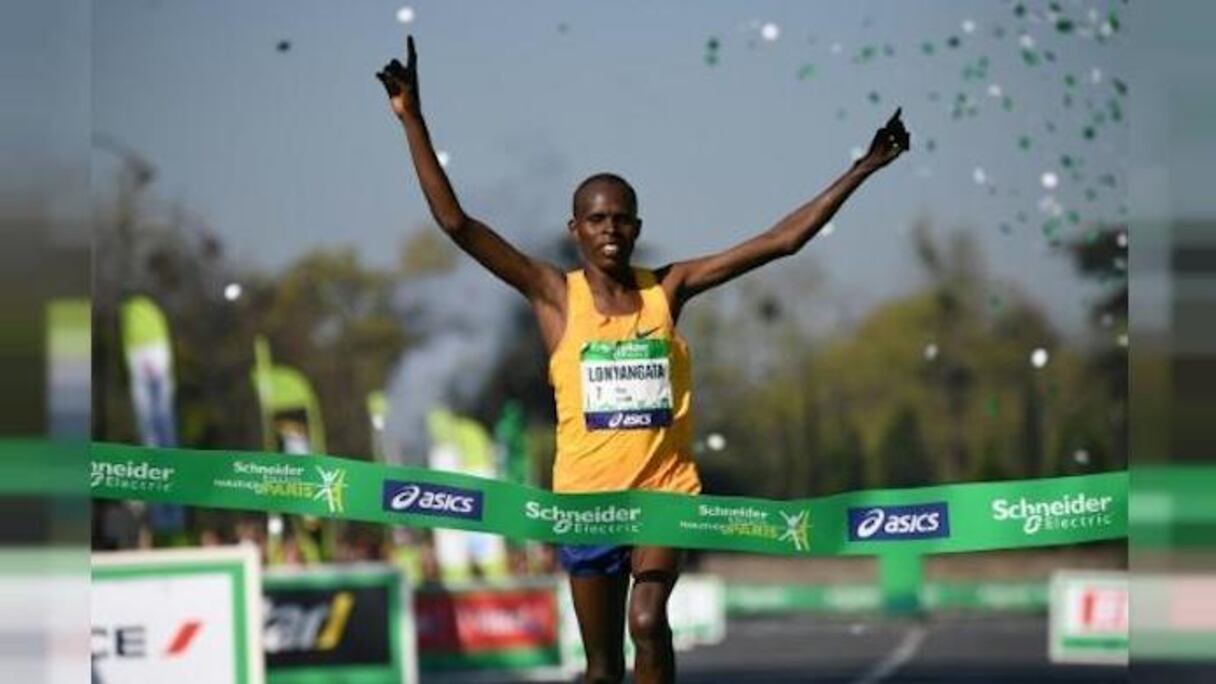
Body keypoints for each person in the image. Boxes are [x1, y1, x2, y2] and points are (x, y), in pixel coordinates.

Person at [376, 37, 908, 684]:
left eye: (621, 220)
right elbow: (457, 223)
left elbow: (782, 241)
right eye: (596, 219)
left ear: (636, 226)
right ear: (575, 230)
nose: (609, 230)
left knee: (649, 622)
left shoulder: (669, 287)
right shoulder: (553, 295)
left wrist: (863, 166)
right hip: (584, 503)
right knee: (601, 671)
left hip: (663, 493)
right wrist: (413, 120)